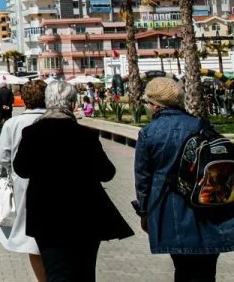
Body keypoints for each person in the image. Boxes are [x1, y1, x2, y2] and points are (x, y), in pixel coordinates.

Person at [13, 81, 133, 281]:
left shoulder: (32, 133)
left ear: (48, 102)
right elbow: (107, 173)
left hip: (46, 216)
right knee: (84, 273)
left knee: (55, 271)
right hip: (84, 216)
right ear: (72, 104)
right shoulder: (85, 135)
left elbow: (21, 170)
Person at [135, 77, 234, 282]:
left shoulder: (149, 133)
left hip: (171, 209)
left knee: (183, 268)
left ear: (155, 105)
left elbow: (143, 178)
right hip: (207, 205)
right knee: (207, 271)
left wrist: (145, 212)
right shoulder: (202, 125)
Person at [0, 80, 49, 282]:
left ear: (24, 99)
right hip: (54, 183)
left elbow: (0, 155)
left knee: (32, 241)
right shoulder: (54, 119)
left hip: (24, 185)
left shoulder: (13, 123)